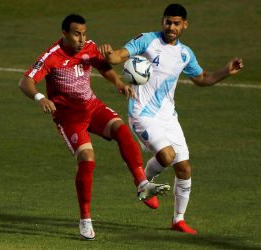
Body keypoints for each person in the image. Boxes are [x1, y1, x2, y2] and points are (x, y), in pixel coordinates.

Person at [18, 14, 170, 240]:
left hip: (92, 106)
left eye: (84, 33)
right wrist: (41, 98)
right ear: (64, 34)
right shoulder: (52, 57)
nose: (82, 39)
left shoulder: (89, 47)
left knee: (120, 129)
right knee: (87, 159)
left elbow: (103, 66)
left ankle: (142, 184)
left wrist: (118, 82)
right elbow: (25, 81)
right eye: (76, 34)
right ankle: (85, 220)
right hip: (69, 116)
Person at [99, 3, 243, 235]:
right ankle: (142, 184)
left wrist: (226, 71)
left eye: (176, 23)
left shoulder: (185, 54)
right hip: (142, 113)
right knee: (167, 156)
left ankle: (178, 220)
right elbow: (117, 56)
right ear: (162, 21)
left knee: (184, 168)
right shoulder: (147, 40)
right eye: (168, 22)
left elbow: (203, 78)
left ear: (185, 24)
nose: (171, 27)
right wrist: (109, 55)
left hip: (168, 117)